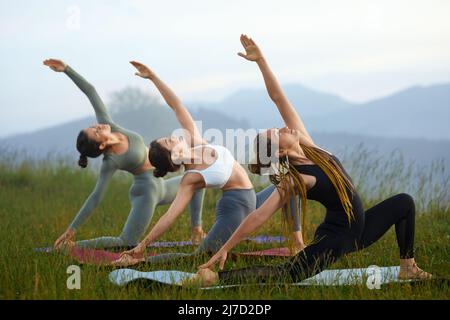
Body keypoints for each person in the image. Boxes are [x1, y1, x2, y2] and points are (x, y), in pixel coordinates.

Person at [192, 35, 432, 286]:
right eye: (278, 133)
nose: (283, 127)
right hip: (336, 238)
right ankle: (216, 278)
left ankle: (409, 268)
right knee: (288, 274)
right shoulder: (295, 179)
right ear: (281, 152)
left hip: (360, 229)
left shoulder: (307, 145)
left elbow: (278, 98)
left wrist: (261, 61)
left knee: (404, 203)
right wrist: (226, 248)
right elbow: (257, 217)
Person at [112, 60, 306, 267]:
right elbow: (169, 217)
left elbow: (177, 106)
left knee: (291, 184)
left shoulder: (197, 143)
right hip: (236, 209)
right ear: (173, 157)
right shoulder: (191, 178)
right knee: (198, 258)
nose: (173, 137)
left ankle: (297, 243)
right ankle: (137, 261)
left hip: (253, 199)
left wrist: (153, 78)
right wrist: (143, 245)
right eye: (169, 141)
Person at [43, 59, 206, 249]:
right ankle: (71, 246)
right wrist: (71, 230)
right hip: (147, 191)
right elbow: (95, 197)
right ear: (102, 145)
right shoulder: (111, 161)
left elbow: (91, 91)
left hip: (162, 184)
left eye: (92, 127)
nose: (97, 126)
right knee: (127, 242)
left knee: (198, 177)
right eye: (96, 132)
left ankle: (197, 231)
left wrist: (66, 70)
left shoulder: (109, 125)